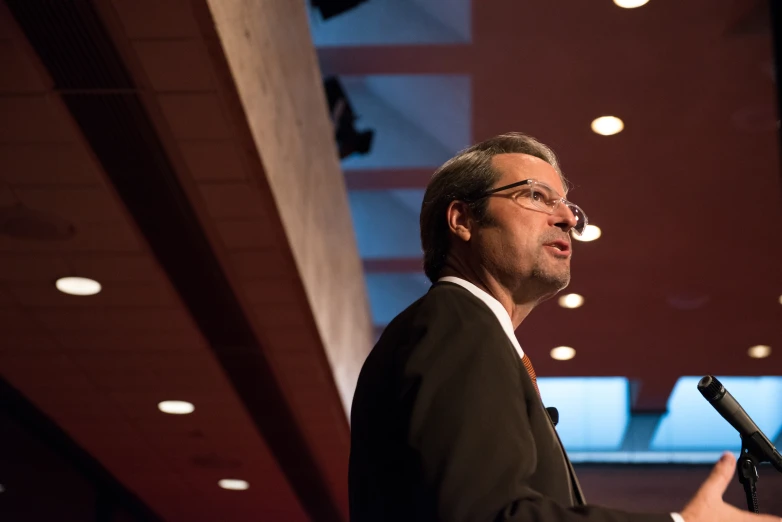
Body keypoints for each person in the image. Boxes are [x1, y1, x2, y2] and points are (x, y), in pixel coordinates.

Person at [348, 133, 780, 522]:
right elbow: (487, 515)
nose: (568, 219)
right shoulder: (455, 325)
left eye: (568, 206)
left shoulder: (465, 329)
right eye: (536, 196)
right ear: (462, 220)